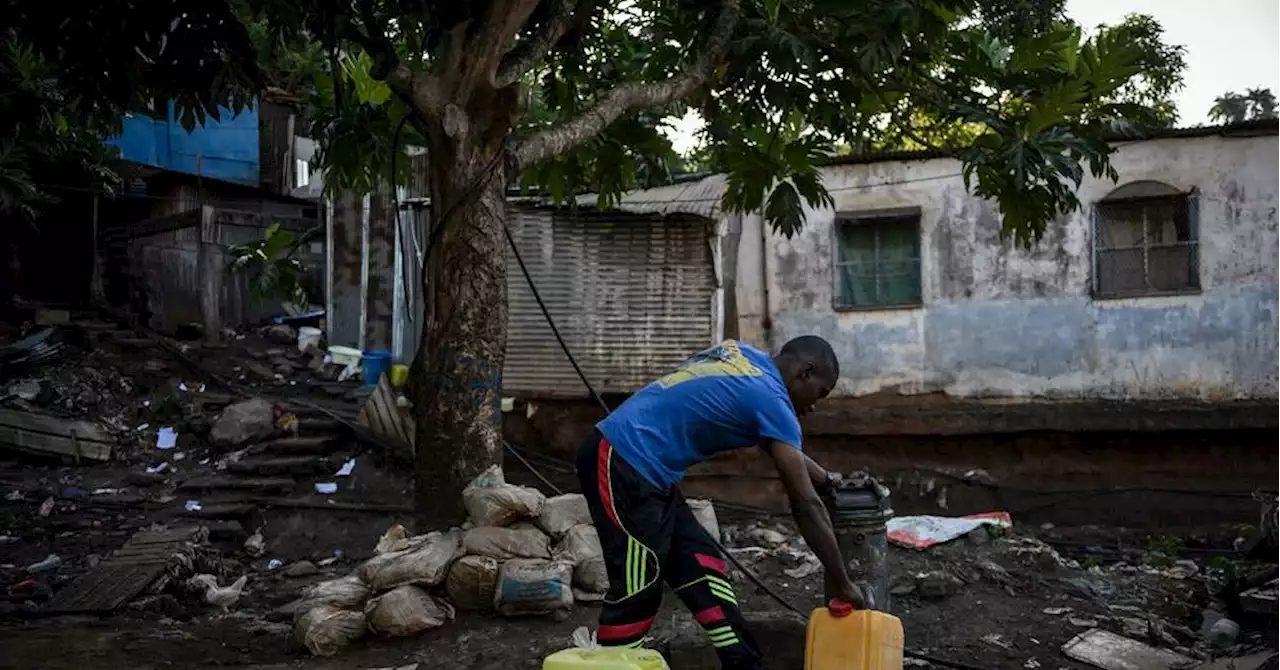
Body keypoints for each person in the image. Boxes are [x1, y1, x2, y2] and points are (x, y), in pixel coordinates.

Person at [576, 336, 863, 669]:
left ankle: (744, 663)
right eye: (821, 393)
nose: (814, 405)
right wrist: (843, 582)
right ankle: (613, 661)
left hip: (653, 472)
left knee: (704, 571)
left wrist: (826, 480)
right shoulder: (772, 401)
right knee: (639, 583)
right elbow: (806, 506)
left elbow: (780, 447)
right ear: (806, 372)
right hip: (620, 457)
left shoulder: (748, 358)